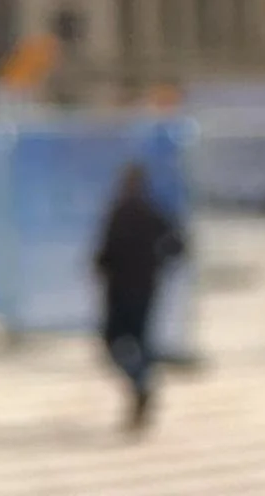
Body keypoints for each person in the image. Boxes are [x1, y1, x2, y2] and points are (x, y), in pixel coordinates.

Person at [92, 161, 186, 433]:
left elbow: (177, 246)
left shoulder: (128, 212)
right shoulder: (146, 212)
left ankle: (140, 383)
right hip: (138, 288)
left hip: (127, 290)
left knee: (122, 342)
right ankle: (140, 383)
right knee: (131, 343)